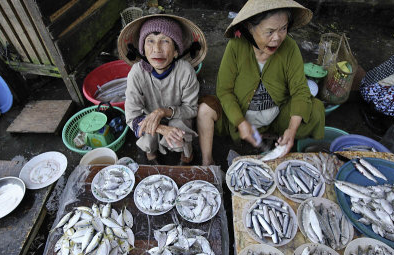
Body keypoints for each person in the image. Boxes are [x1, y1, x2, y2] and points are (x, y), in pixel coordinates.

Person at [197, 0, 325, 165]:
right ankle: (207, 162)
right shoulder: (236, 46)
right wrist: (240, 122)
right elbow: (224, 91)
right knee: (204, 109)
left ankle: (292, 145)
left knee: (315, 109)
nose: (277, 38)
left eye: (283, 29)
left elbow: (300, 90)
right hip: (238, 116)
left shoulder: (290, 48)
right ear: (250, 27)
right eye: (270, 31)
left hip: (276, 118)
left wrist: (291, 130)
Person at [118, 14, 207, 164]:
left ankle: (187, 157)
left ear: (176, 51)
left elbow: (191, 109)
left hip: (177, 114)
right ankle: (151, 156)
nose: (156, 49)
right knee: (147, 131)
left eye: (165, 41)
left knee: (180, 132)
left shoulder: (185, 71)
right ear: (143, 50)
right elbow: (132, 117)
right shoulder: (137, 73)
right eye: (150, 41)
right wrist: (161, 128)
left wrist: (164, 111)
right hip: (148, 118)